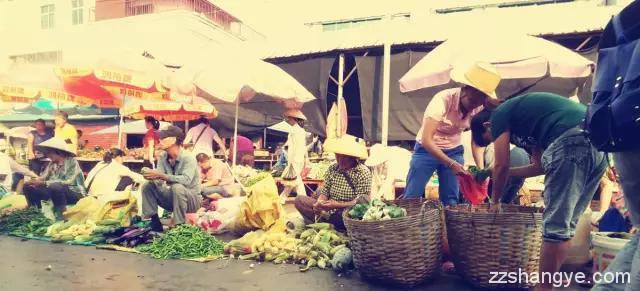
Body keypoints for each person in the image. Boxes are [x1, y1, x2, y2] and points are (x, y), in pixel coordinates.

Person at [470, 93, 606, 291]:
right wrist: (499, 173)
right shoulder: (529, 126)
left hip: (572, 142)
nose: (496, 141)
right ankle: (547, 285)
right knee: (565, 226)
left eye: (489, 140)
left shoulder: (498, 114)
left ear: (487, 126)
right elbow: (539, 167)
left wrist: (495, 201)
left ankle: (543, 288)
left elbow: (502, 163)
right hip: (598, 147)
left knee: (556, 227)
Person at [404, 62, 501, 205]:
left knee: (451, 199)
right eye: (472, 100)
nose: (473, 105)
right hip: (426, 150)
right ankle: (408, 225)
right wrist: (450, 164)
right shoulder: (442, 100)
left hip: (453, 151)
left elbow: (476, 141)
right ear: (466, 89)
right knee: (412, 195)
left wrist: (481, 170)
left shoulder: (479, 107)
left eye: (480, 101)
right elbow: (426, 139)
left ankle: (449, 226)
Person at [294, 135, 371, 230]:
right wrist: (319, 204)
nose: (340, 160)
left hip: (348, 214)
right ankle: (324, 224)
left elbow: (362, 204)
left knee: (350, 216)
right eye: (337, 156)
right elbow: (325, 192)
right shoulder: (333, 169)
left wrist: (336, 205)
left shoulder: (362, 172)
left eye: (344, 157)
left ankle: (332, 226)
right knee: (300, 200)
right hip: (328, 212)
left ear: (353, 157)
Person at [141, 136, 201, 232]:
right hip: (174, 199)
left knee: (177, 187)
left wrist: (162, 175)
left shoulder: (188, 158)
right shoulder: (162, 156)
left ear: (173, 140)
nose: (159, 140)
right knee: (148, 186)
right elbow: (160, 181)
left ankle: (180, 226)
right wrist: (152, 176)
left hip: (192, 201)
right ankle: (154, 222)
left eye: (164, 137)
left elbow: (186, 180)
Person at [23, 138, 87, 220]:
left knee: (55, 186)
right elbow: (43, 177)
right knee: (28, 186)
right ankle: (35, 211)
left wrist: (44, 183)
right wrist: (34, 181)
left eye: (49, 153)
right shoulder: (52, 164)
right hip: (55, 191)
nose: (48, 156)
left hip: (74, 192)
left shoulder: (72, 161)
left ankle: (63, 216)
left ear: (58, 152)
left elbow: (68, 181)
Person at [279, 109, 308, 203]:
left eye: (289, 118)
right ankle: (303, 198)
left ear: (293, 118)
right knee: (294, 179)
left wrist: (295, 159)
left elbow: (300, 147)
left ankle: (283, 198)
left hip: (296, 158)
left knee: (293, 179)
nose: (288, 120)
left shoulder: (298, 131)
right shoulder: (295, 130)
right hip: (294, 158)